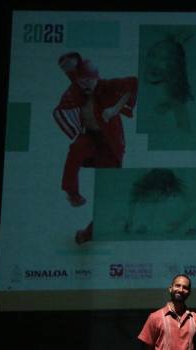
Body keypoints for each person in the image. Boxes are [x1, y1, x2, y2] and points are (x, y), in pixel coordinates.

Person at [52, 53, 138, 243]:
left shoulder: (106, 86)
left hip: (109, 145)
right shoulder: (78, 88)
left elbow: (132, 84)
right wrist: (72, 65)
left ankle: (90, 232)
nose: (86, 84)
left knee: (110, 192)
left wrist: (115, 109)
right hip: (91, 138)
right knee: (76, 149)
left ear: (97, 78)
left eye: (91, 80)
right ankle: (72, 193)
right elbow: (71, 70)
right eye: (83, 80)